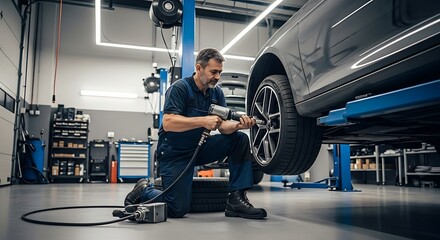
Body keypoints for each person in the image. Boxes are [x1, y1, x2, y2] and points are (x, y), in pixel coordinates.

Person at [124, 48, 267, 219]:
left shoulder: (217, 93)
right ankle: (144, 190)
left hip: (200, 148)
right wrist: (203, 120)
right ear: (199, 68)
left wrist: (238, 125)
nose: (217, 77)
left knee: (239, 139)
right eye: (213, 72)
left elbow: (222, 126)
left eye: (220, 72)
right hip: (174, 154)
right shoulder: (180, 88)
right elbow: (168, 123)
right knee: (177, 208)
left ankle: (236, 199)